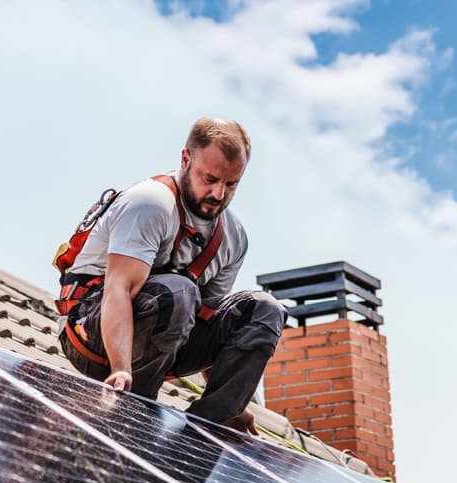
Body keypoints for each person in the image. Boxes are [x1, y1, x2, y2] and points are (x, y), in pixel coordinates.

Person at [58, 117, 287, 434]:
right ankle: (136, 405)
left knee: (264, 309)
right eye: (210, 179)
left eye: (231, 185)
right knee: (180, 290)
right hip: (93, 333)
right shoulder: (151, 203)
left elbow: (209, 320)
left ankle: (212, 424)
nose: (219, 193)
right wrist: (122, 370)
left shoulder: (233, 236)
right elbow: (118, 290)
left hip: (163, 337)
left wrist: (231, 398)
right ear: (185, 159)